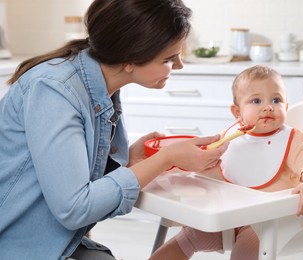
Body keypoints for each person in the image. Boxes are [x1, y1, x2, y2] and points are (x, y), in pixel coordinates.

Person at [0, 1, 228, 259]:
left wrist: (129, 161)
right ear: (130, 58)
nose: (179, 66)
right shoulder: (54, 91)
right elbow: (75, 208)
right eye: (169, 58)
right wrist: (167, 158)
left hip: (56, 239)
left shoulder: (101, 85)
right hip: (18, 243)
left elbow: (65, 171)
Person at [150, 65, 303, 260]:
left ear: (285, 107)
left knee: (246, 250)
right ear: (237, 112)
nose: (268, 106)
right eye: (256, 101)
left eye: (276, 100)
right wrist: (176, 170)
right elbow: (214, 169)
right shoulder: (232, 137)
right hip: (227, 216)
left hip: (266, 223)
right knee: (185, 240)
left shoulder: (292, 140)